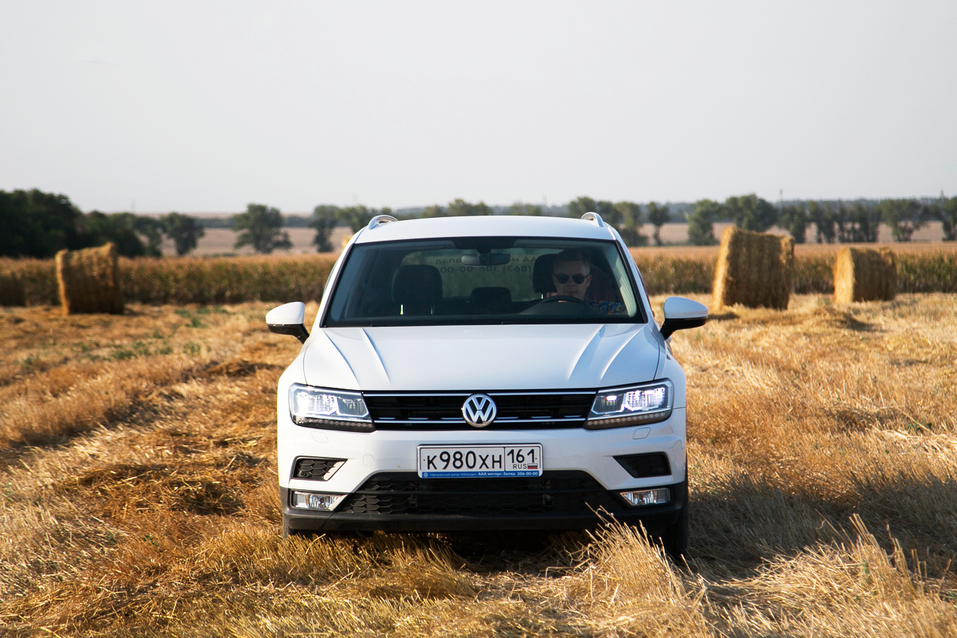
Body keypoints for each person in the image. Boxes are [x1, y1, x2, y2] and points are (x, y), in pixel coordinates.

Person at [549, 249, 624, 314]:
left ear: (588, 281)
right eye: (563, 278)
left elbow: (631, 313)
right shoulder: (540, 312)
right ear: (554, 280)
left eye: (578, 278)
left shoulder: (602, 310)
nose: (571, 283)